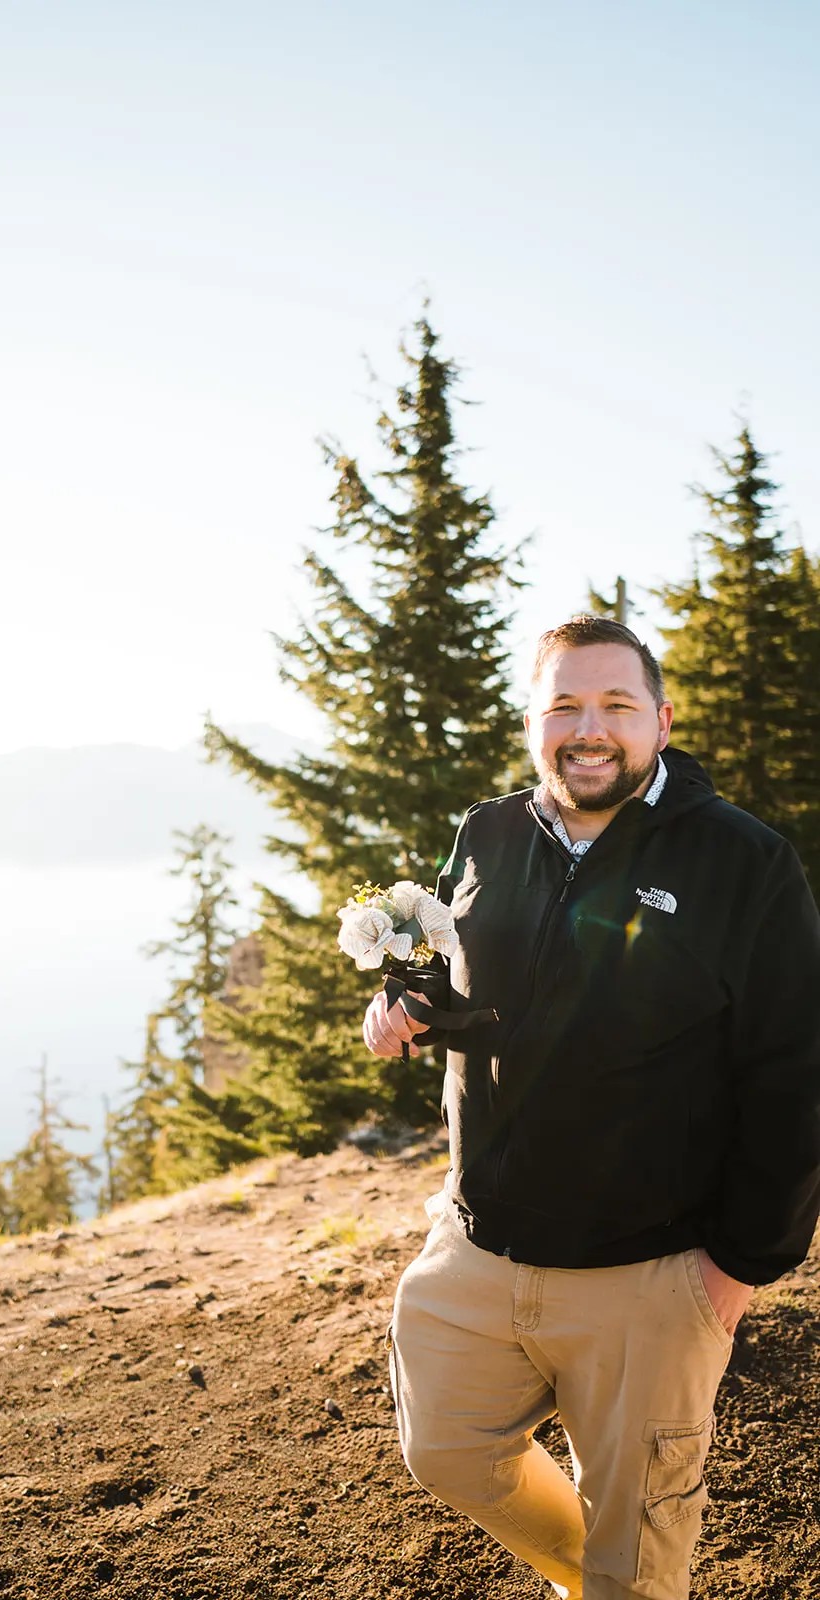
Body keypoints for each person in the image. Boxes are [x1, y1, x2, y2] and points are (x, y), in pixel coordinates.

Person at [363, 615, 820, 1600]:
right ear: (531, 721)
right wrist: (407, 1004)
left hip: (645, 1274)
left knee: (638, 1559)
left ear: (659, 720)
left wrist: (737, 1271)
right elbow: (472, 986)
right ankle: (591, 1577)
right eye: (563, 703)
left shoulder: (741, 862)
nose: (588, 726)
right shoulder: (486, 831)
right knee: (440, 1446)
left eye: (615, 704)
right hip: (478, 1247)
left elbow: (790, 1074)